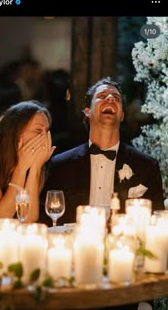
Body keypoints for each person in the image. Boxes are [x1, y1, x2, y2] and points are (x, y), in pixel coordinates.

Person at [40, 76, 164, 225]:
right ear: (87, 111)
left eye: (116, 98)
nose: (110, 98)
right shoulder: (60, 165)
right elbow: (48, 220)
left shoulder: (146, 166)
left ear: (122, 115)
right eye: (102, 96)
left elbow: (157, 222)